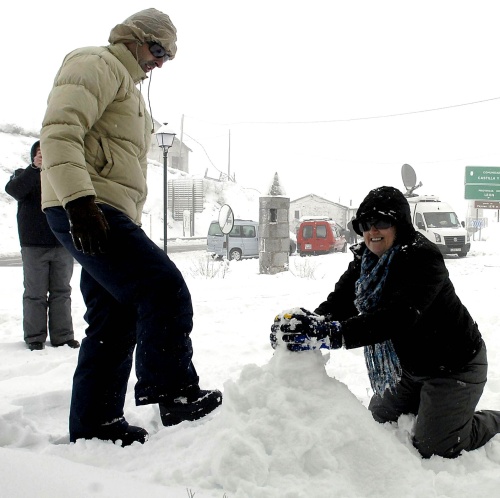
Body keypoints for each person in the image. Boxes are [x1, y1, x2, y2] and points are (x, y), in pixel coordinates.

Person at [40, 8, 222, 447]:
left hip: (99, 206)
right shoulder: (96, 64)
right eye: (157, 50)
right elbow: (60, 130)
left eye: (167, 57)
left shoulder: (131, 90)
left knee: (114, 318)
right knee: (162, 286)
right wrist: (79, 201)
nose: (159, 62)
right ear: (132, 38)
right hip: (88, 205)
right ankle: (175, 394)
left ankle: (95, 424)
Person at [271, 186, 500, 459]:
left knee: (434, 445)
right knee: (377, 425)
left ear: (400, 223)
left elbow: (395, 319)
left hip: (454, 367)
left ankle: (487, 421)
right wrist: (310, 322)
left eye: (381, 222)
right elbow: (341, 302)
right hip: (408, 369)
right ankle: (436, 410)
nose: (371, 231)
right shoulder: (365, 262)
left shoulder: (424, 258)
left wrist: (330, 334)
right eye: (365, 224)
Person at [5, 141, 79, 351]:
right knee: (35, 293)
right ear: (33, 156)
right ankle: (35, 337)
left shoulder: (62, 175)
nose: (43, 156)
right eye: (39, 153)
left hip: (62, 243)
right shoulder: (23, 174)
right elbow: (14, 190)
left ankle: (63, 336)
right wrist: (35, 169)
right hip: (33, 245)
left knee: (62, 292)